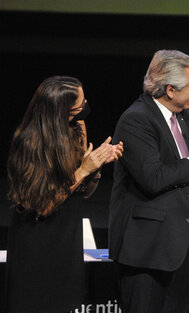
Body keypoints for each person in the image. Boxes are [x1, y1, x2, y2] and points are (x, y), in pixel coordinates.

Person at [108, 49, 189, 313]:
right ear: (169, 90)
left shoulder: (187, 115)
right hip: (147, 251)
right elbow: (153, 178)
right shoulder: (136, 120)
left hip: (182, 245)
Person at [6, 76, 123, 313]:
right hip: (36, 242)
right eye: (78, 106)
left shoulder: (76, 128)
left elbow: (84, 192)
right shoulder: (28, 142)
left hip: (67, 236)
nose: (83, 109)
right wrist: (83, 171)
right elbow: (41, 206)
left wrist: (97, 166)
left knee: (64, 301)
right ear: (60, 111)